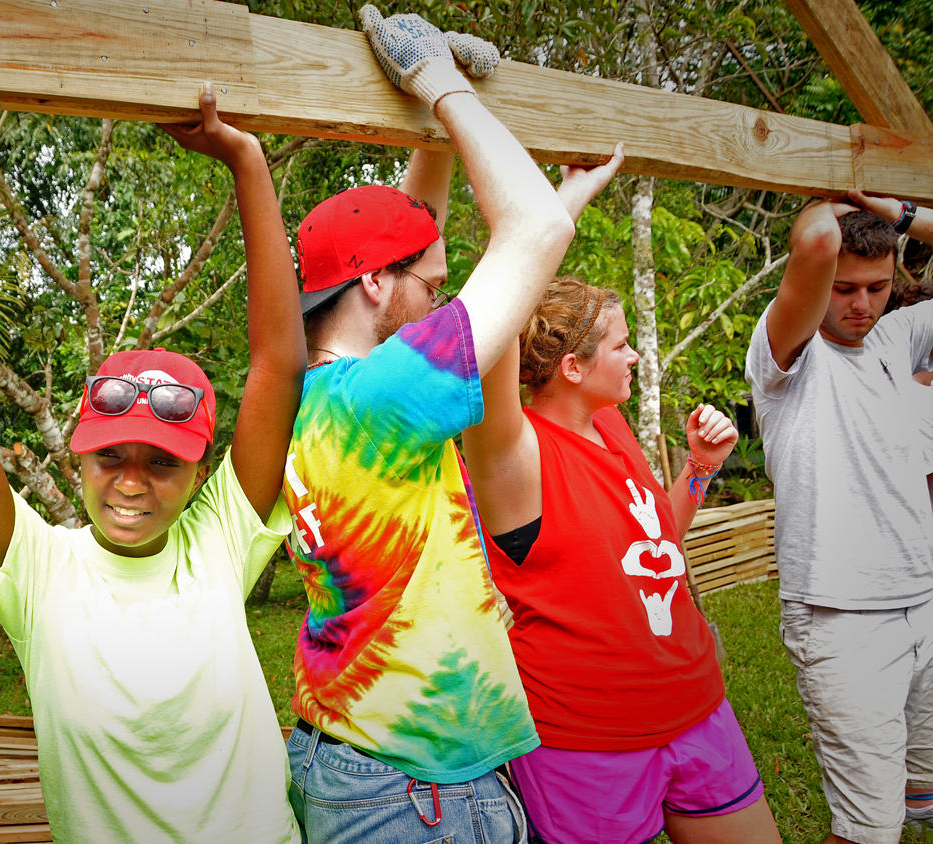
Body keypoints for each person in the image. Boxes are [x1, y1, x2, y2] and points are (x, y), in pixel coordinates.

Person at [0, 84, 305, 843]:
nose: (131, 481)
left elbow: (278, 364)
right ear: (78, 459)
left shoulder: (220, 542)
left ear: (199, 476)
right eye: (110, 457)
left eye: (161, 464)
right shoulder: (39, 570)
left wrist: (249, 163)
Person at [279, 7, 576, 842]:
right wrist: (438, 84)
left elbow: (413, 242)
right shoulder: (385, 394)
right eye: (434, 287)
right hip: (411, 789)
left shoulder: (319, 395)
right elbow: (542, 226)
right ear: (375, 287)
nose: (443, 302)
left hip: (359, 748)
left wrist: (436, 134)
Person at [463, 214, 782, 842]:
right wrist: (535, 223)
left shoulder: (611, 424)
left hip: (698, 713)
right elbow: (488, 333)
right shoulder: (513, 454)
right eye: (619, 345)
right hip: (589, 739)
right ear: (573, 369)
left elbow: (657, 541)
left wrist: (699, 468)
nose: (634, 355)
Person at [745, 190, 933, 844]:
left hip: (923, 599)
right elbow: (818, 242)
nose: (860, 305)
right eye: (845, 288)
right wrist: (837, 186)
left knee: (922, 791)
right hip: (842, 618)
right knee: (869, 830)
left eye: (877, 288)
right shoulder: (785, 357)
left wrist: (901, 215)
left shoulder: (895, 339)